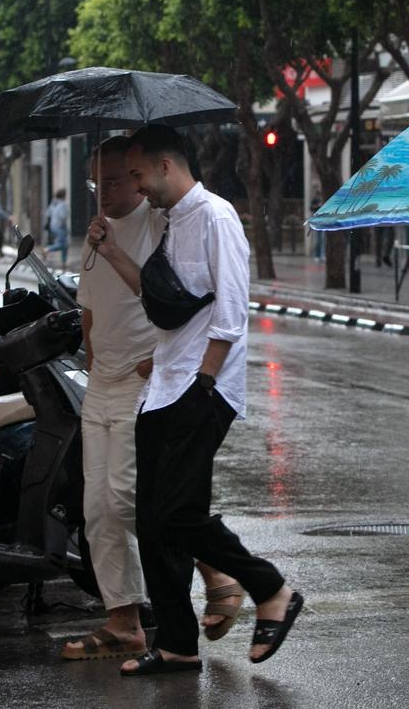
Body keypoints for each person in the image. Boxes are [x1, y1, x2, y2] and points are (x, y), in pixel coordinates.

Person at [88, 124, 302, 677]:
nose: (134, 185)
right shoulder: (170, 222)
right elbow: (159, 295)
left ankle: (269, 587)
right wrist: (110, 251)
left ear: (164, 166)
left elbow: (231, 311)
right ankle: (180, 644)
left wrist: (203, 384)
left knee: (179, 513)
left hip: (201, 387)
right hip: (163, 384)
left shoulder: (215, 216)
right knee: (155, 522)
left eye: (136, 174)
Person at [61, 137, 244, 662]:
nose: (109, 193)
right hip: (102, 380)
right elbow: (89, 308)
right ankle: (123, 620)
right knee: (97, 510)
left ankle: (218, 573)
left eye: (120, 180)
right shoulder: (96, 231)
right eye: (97, 183)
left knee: (132, 502)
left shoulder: (165, 224)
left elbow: (174, 301)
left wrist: (172, 370)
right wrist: (91, 352)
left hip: (150, 380)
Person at [45, 188, 70, 266]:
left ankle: (64, 262)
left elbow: (47, 213)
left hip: (53, 226)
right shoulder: (63, 204)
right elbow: (63, 216)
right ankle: (47, 249)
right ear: (63, 196)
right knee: (63, 245)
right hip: (60, 226)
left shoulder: (53, 203)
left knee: (64, 245)